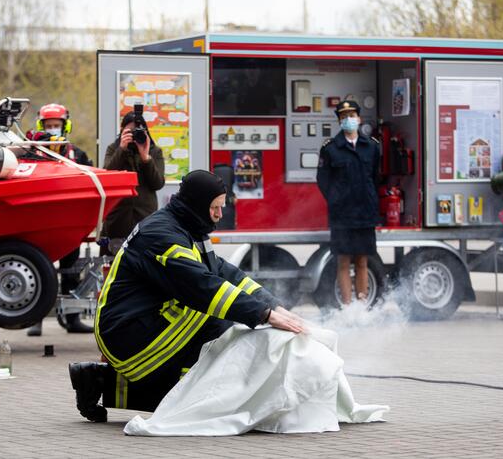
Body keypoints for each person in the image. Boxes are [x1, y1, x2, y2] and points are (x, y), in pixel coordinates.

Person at [68, 170, 304, 422]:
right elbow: (202, 286)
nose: (219, 214)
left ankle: (97, 380)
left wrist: (273, 305)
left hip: (144, 325)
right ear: (198, 204)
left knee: (204, 354)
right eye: (214, 207)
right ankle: (216, 393)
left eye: (221, 207)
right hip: (128, 334)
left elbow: (223, 272)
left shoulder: (188, 225)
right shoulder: (162, 236)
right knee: (216, 324)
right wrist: (262, 315)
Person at [27, 103, 94, 336]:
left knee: (71, 271)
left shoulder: (78, 155)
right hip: (41, 223)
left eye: (57, 126)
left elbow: (92, 183)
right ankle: (36, 320)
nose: (53, 129)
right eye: (49, 126)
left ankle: (72, 317)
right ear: (41, 126)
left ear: (65, 126)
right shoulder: (32, 153)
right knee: (39, 272)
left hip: (69, 224)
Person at [316, 101, 380, 306]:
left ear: (359, 119)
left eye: (351, 115)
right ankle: (348, 306)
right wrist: (336, 200)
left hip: (365, 214)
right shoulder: (331, 148)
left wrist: (369, 197)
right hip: (342, 215)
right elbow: (322, 180)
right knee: (343, 261)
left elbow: (377, 177)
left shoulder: (371, 146)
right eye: (343, 117)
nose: (348, 120)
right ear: (339, 121)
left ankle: (361, 306)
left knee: (362, 260)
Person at [100, 109, 165, 255]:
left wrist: (145, 158)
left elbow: (158, 183)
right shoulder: (114, 149)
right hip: (117, 219)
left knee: (145, 262)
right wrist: (121, 149)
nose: (134, 135)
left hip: (145, 218)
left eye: (138, 131)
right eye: (130, 131)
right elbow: (107, 175)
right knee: (113, 264)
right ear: (122, 131)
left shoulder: (154, 152)